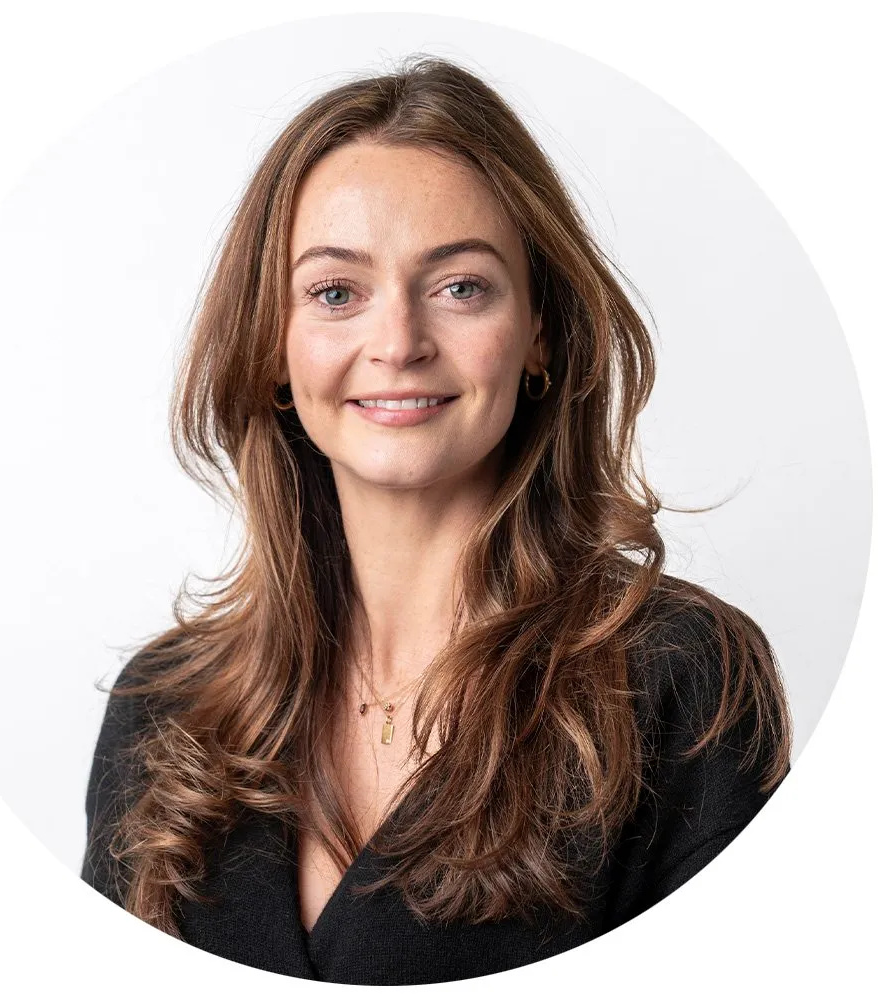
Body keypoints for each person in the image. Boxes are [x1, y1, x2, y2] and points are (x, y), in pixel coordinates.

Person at [80, 54, 793, 985]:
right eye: (336, 292)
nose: (399, 343)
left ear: (540, 332)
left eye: (460, 286)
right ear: (272, 348)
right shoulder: (162, 710)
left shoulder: (682, 682)